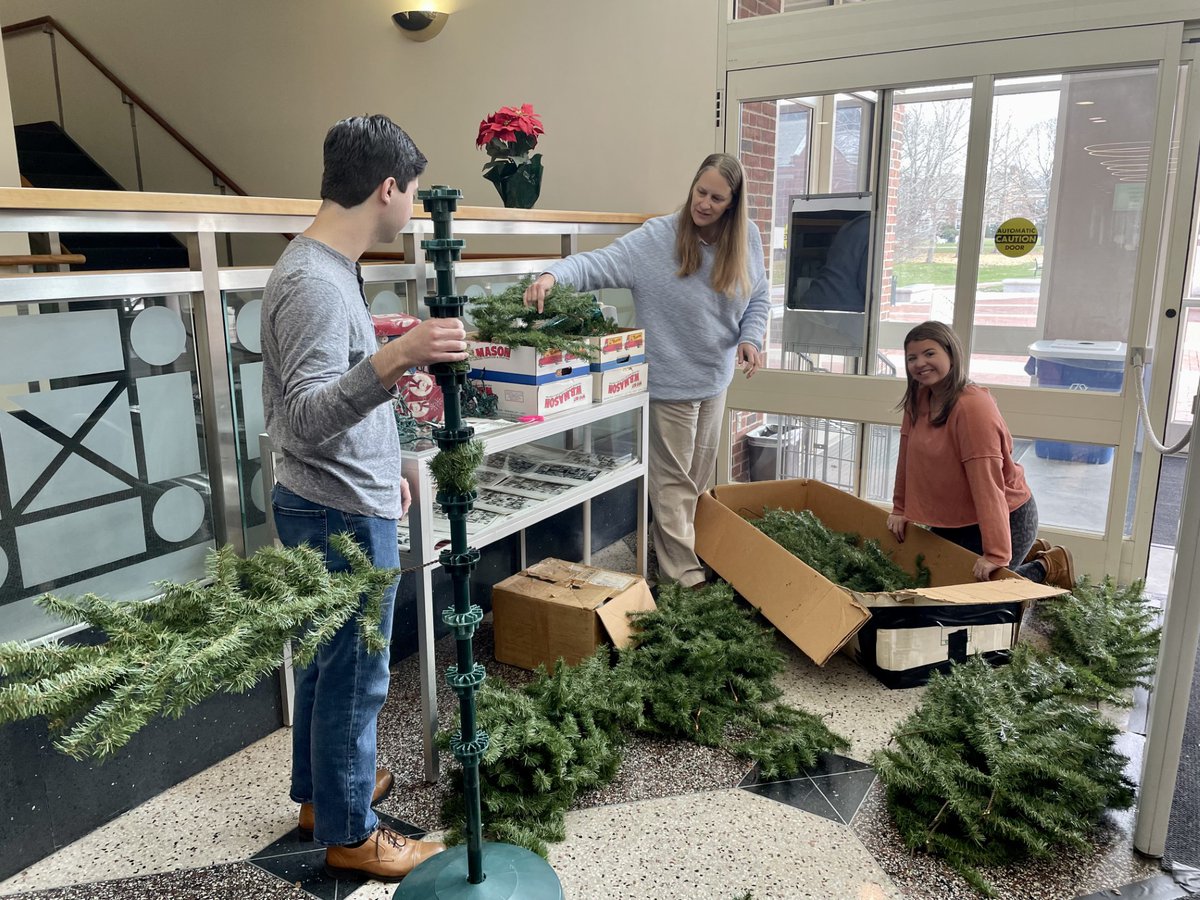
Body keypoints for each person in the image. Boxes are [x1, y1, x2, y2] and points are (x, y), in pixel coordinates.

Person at [261, 115, 467, 882]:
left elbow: (332, 405)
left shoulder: (325, 266)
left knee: (327, 663)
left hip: (340, 496)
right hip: (336, 509)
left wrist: (397, 466)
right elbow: (309, 416)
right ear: (388, 188)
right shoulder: (315, 282)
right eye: (412, 192)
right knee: (357, 674)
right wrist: (399, 355)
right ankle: (351, 832)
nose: (413, 205)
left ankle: (322, 795)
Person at [523, 152, 769, 588]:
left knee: (695, 480)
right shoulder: (657, 238)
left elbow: (759, 297)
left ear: (733, 204)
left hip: (715, 379)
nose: (705, 204)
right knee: (672, 486)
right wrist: (552, 276)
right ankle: (684, 580)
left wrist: (751, 338)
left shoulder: (746, 238)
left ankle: (681, 553)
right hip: (670, 383)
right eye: (700, 192)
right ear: (691, 187)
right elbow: (596, 264)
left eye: (717, 198)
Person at [886, 320, 1075, 589]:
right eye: (912, 357)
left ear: (951, 354)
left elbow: (988, 484)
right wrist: (900, 508)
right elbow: (907, 457)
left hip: (1004, 515)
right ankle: (1032, 554)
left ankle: (1046, 566)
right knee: (934, 589)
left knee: (978, 599)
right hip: (953, 519)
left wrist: (996, 553)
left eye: (930, 353)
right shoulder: (919, 397)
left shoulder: (972, 407)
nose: (919, 363)